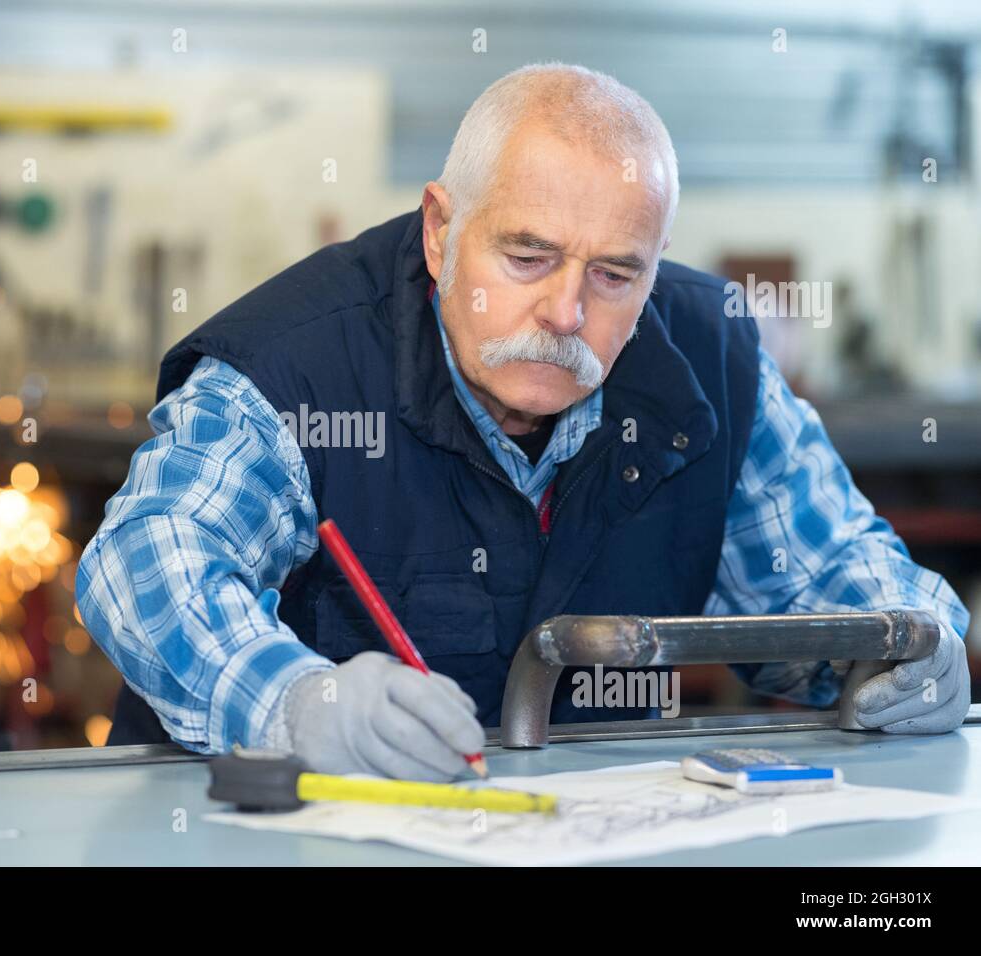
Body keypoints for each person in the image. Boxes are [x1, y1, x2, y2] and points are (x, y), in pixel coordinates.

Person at [77, 63, 971, 781]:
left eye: (615, 275)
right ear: (440, 231)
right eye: (527, 255)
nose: (566, 312)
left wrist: (917, 644)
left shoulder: (712, 360)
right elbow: (145, 563)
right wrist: (294, 704)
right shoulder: (294, 365)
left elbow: (831, 572)